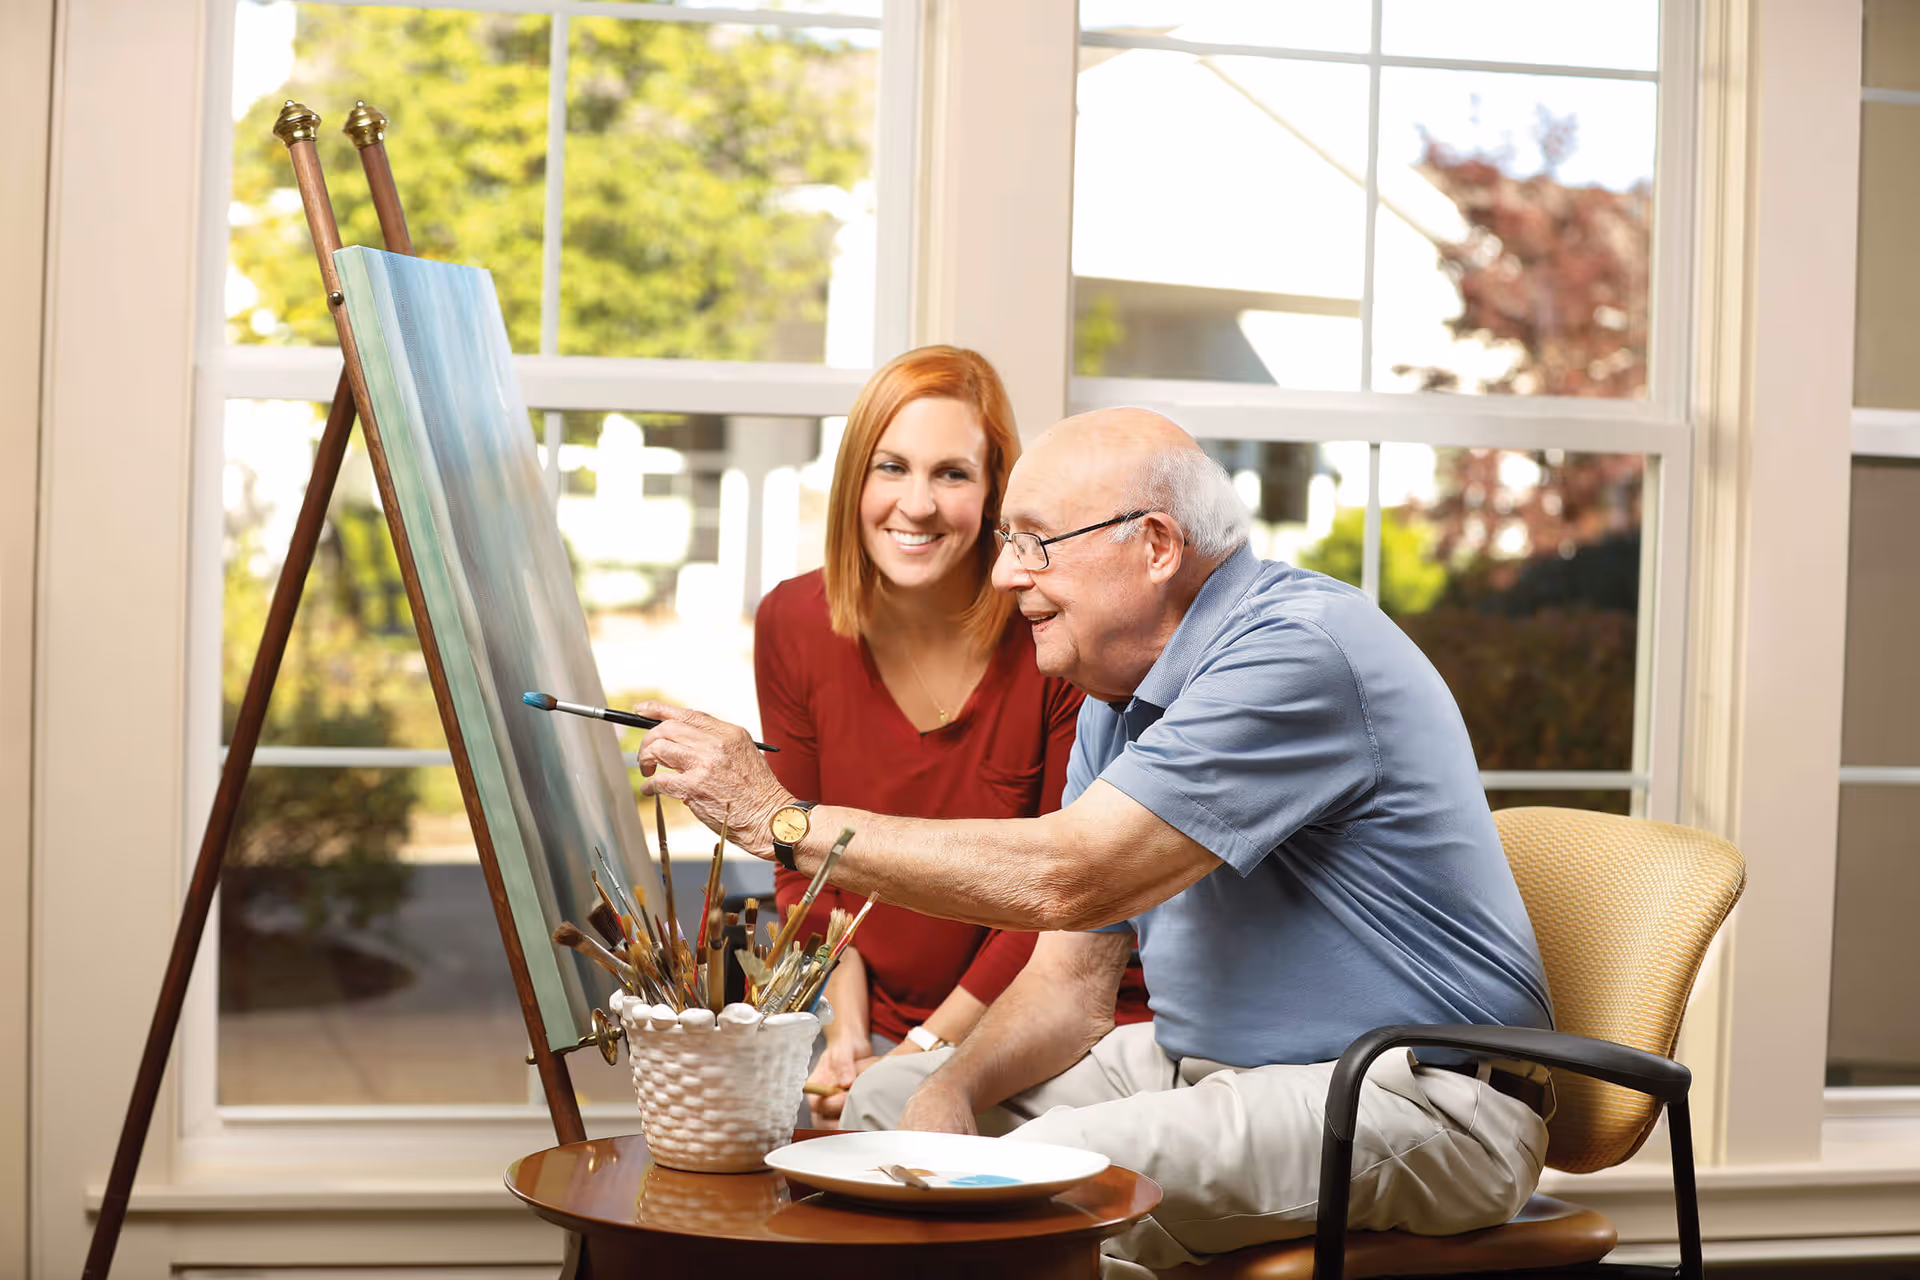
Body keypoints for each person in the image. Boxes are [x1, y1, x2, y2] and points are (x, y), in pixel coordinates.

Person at [635, 408, 1554, 1277]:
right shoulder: (1122, 696)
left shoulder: (1295, 652)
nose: (1003, 577)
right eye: (1005, 543)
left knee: (1037, 1176)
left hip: (1419, 1098)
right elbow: (1070, 985)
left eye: (1032, 542)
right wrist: (951, 1085)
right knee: (889, 1105)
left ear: (1154, 545)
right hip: (1211, 1068)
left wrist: (780, 821)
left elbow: (1070, 875)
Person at [755, 346, 1149, 1125]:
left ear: (997, 491)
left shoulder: (1053, 634)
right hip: (872, 1016)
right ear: (853, 482)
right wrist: (847, 1036)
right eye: (891, 467)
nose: (917, 504)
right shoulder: (792, 623)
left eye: (952, 474)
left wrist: (915, 1059)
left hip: (1042, 1018)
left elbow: (1056, 892)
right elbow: (803, 861)